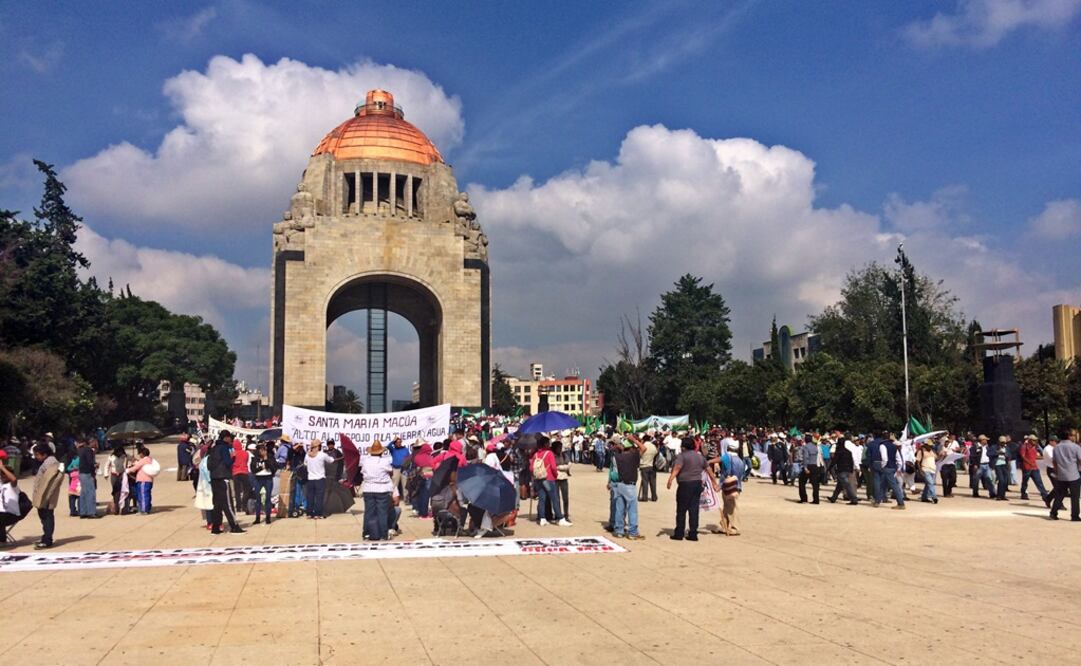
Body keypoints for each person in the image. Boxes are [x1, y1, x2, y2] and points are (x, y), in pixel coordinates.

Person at [666, 437, 716, 541]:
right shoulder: (700, 457)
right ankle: (693, 533)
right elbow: (708, 469)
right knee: (694, 510)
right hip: (697, 484)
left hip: (685, 484)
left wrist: (670, 479)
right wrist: (714, 482)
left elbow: (677, 468)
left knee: (681, 510)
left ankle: (679, 533)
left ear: (683, 447)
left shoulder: (681, 456)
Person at [610, 433, 647, 540]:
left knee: (620, 509)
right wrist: (634, 440)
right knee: (632, 509)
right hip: (630, 485)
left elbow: (617, 448)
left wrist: (621, 444)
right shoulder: (634, 456)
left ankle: (619, 531)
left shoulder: (618, 456)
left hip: (620, 484)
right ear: (631, 448)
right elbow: (643, 448)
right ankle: (633, 532)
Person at [209, 430, 244, 534]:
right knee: (228, 503)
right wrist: (233, 457)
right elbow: (228, 462)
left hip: (214, 478)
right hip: (223, 477)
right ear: (226, 438)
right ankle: (234, 526)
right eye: (230, 438)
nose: (231, 440)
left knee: (217, 504)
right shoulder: (225, 448)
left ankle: (215, 527)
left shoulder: (214, 448)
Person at [530, 437, 571, 526]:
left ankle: (542, 518)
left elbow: (531, 468)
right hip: (549, 478)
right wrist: (555, 475)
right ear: (545, 444)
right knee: (555, 499)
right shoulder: (549, 453)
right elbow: (553, 467)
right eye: (548, 443)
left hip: (539, 479)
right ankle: (560, 518)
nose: (549, 444)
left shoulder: (536, 454)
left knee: (542, 499)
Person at [31, 443, 64, 549]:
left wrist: (45, 497)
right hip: (43, 494)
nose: (36, 457)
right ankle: (45, 537)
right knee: (44, 517)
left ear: (44, 454)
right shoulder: (47, 461)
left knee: (47, 517)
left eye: (37, 455)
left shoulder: (51, 462)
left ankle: (47, 540)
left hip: (46, 496)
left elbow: (50, 482)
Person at [360, 440, 394, 540]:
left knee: (368, 512)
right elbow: (390, 472)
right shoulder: (385, 461)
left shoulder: (365, 461)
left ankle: (366, 533)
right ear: (381, 452)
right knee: (382, 512)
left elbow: (363, 472)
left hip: (368, 488)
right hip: (382, 489)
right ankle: (383, 534)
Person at [1048, 430, 1081, 522]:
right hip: (1073, 475)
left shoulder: (1056, 448)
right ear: (1069, 436)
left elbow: (1054, 462)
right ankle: (1074, 516)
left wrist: (1057, 472)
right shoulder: (1075, 447)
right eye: (1073, 436)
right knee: (1075, 496)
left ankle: (1053, 513)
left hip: (1061, 475)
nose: (1074, 437)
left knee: (1059, 495)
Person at [874, 433, 906, 510]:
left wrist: (882, 466)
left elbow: (884, 458)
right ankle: (877, 501)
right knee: (883, 485)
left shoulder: (882, 445)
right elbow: (899, 459)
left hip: (886, 467)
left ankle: (901, 503)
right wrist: (898, 468)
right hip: (893, 468)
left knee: (893, 486)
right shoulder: (894, 446)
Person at [304, 440, 333, 519]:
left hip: (310, 479)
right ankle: (318, 513)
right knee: (319, 497)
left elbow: (305, 464)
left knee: (310, 497)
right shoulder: (322, 455)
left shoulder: (307, 455)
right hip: (320, 479)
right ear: (318, 446)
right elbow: (331, 460)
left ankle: (309, 513)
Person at [1018, 434, 1049, 505]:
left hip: (1034, 467)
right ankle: (1023, 493)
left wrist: (1042, 458)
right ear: (1029, 440)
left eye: (1035, 440)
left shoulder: (1035, 447)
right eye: (1033, 440)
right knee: (1025, 482)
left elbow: (1035, 456)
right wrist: (1029, 462)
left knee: (1039, 482)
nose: (1035, 441)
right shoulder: (1024, 446)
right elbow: (1022, 456)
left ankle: (1045, 496)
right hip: (1027, 467)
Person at [827, 436, 858, 505]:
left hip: (841, 470)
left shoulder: (839, 451)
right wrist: (851, 470)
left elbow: (834, 461)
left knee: (847, 486)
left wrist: (829, 468)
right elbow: (851, 461)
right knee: (840, 485)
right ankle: (833, 498)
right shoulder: (848, 452)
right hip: (848, 470)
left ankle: (854, 499)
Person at [250, 444, 277, 524]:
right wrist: (261, 467)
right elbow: (253, 470)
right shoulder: (255, 459)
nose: (262, 451)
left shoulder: (270, 457)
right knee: (258, 498)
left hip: (268, 478)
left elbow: (273, 468)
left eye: (263, 450)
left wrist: (266, 459)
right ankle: (257, 517)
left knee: (268, 498)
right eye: (260, 450)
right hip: (258, 479)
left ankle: (268, 517)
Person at [126, 446, 156, 514]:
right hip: (148, 480)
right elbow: (138, 464)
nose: (139, 455)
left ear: (142, 454)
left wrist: (128, 470)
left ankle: (144, 510)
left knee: (143, 495)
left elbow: (135, 468)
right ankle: (147, 508)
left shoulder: (144, 460)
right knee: (147, 495)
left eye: (140, 453)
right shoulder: (150, 460)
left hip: (143, 480)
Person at [76, 439, 98, 519]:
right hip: (87, 473)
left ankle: (83, 511)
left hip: (81, 472)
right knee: (90, 493)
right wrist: (95, 466)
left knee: (83, 493)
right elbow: (90, 462)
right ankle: (91, 512)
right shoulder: (89, 450)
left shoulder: (80, 450)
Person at [552, 440, 572, 523]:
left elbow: (569, 465)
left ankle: (566, 515)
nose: (560, 449)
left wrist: (560, 467)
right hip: (555, 479)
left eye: (561, 447)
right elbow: (554, 466)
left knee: (565, 498)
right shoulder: (552, 455)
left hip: (564, 478)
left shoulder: (564, 455)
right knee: (556, 499)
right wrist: (563, 467)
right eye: (558, 447)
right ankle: (558, 515)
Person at [798, 435, 822, 504]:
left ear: (805, 440)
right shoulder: (816, 446)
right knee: (815, 484)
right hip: (815, 465)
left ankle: (804, 499)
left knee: (802, 482)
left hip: (809, 466)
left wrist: (805, 467)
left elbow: (806, 457)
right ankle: (816, 499)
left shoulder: (805, 447)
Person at [232, 437, 251, 513]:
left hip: (235, 473)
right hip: (244, 472)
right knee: (246, 490)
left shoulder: (233, 454)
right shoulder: (246, 453)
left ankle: (238, 507)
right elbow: (246, 461)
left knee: (237, 491)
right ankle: (244, 504)